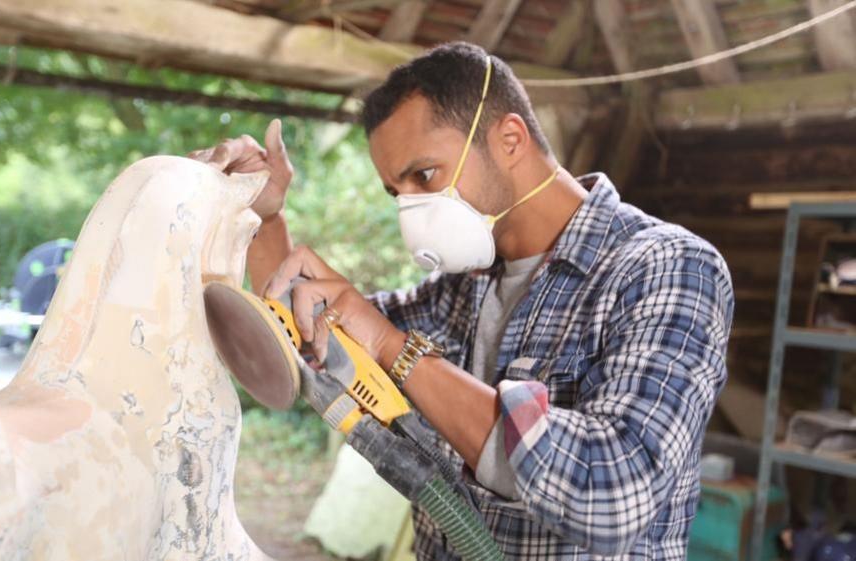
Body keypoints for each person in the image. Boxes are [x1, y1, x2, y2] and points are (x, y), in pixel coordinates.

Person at [189, 41, 734, 560]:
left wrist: (391, 346)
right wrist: (264, 216)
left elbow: (614, 496)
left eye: (424, 175)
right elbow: (312, 331)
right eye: (397, 193)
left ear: (510, 139)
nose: (411, 211)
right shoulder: (463, 287)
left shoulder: (664, 267)